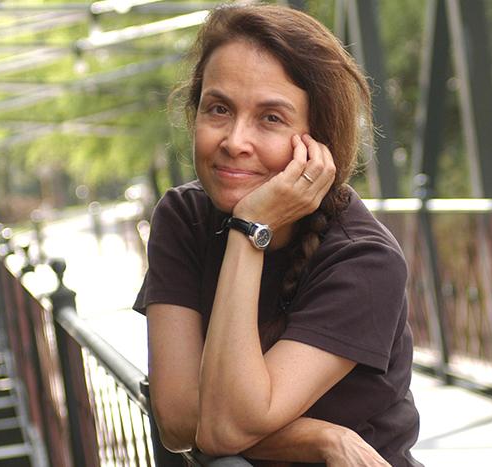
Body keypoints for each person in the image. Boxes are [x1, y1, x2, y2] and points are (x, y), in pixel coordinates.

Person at [133, 4, 422, 466]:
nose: (235, 140)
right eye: (219, 109)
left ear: (317, 141)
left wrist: (249, 230)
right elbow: (178, 420)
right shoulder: (184, 217)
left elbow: (224, 427)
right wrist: (321, 439)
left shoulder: (364, 261)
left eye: (271, 118)